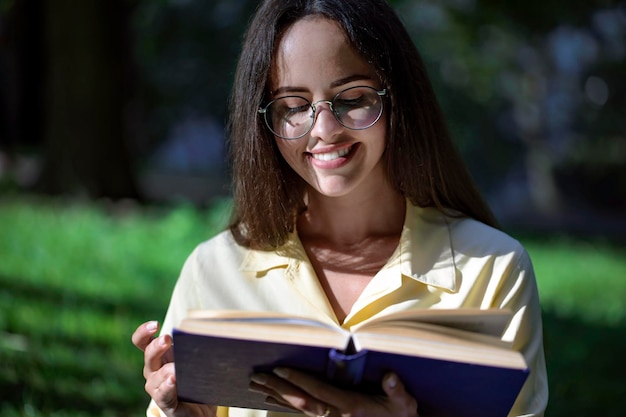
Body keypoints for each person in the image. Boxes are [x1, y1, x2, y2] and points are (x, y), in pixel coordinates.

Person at [132, 0, 549, 416]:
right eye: (294, 107)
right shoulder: (214, 269)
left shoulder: (494, 269)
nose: (325, 130)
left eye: (352, 98)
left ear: (397, 97)